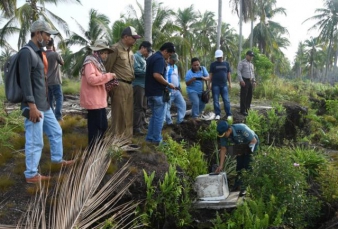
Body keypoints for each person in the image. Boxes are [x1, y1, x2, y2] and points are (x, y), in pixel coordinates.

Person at [18, 20, 73, 184]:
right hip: (34, 106)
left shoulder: (38, 53)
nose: (49, 38)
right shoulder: (27, 52)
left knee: (56, 131)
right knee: (35, 141)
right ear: (38, 33)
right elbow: (25, 81)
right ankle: (31, 174)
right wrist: (31, 106)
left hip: (45, 104)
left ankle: (57, 160)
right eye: (47, 34)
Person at [104, 26, 141, 142]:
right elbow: (107, 68)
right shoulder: (115, 49)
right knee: (119, 114)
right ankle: (116, 140)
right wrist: (107, 90)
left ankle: (127, 139)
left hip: (129, 85)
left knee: (128, 114)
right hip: (118, 85)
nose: (135, 40)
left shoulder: (130, 51)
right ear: (125, 37)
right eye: (133, 37)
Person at [80, 39, 116, 147]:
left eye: (106, 53)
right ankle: (93, 151)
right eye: (104, 53)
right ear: (98, 52)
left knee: (102, 126)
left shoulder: (98, 64)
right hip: (93, 101)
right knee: (95, 128)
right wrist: (109, 76)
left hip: (98, 100)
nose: (105, 55)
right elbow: (91, 79)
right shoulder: (90, 62)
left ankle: (97, 148)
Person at [215, 120, 259, 194]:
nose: (223, 137)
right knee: (239, 165)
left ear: (229, 130)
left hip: (252, 143)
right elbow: (223, 149)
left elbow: (254, 140)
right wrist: (221, 165)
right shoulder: (223, 134)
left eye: (224, 134)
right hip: (240, 145)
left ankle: (246, 187)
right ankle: (237, 185)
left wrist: (244, 151)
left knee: (247, 164)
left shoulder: (241, 129)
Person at [145, 42, 176, 145]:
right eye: (169, 54)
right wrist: (168, 84)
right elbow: (157, 75)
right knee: (159, 118)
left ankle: (150, 138)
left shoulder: (151, 58)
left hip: (150, 92)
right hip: (158, 92)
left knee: (154, 116)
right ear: (165, 51)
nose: (169, 57)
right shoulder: (159, 59)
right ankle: (157, 140)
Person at [132, 41, 153, 135]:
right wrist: (149, 73)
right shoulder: (135, 57)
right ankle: (136, 127)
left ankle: (142, 123)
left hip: (144, 85)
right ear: (143, 48)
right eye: (148, 50)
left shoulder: (143, 58)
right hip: (138, 85)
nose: (148, 52)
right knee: (138, 106)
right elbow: (136, 70)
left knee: (144, 106)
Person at [209, 50, 232, 120]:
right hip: (215, 85)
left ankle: (228, 114)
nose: (218, 58)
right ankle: (218, 114)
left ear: (222, 56)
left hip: (224, 85)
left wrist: (230, 83)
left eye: (219, 57)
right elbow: (210, 75)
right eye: (217, 57)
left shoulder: (226, 64)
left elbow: (228, 74)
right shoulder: (213, 64)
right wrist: (209, 84)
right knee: (216, 100)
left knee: (226, 100)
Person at [185, 57, 209, 123]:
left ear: (199, 64)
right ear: (192, 65)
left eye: (197, 65)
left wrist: (204, 78)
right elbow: (187, 83)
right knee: (196, 102)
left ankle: (195, 114)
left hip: (201, 91)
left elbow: (208, 77)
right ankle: (194, 118)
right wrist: (192, 79)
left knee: (202, 104)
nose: (196, 66)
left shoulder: (203, 69)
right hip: (192, 90)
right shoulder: (189, 73)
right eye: (194, 65)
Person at [164, 53, 186, 125]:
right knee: (167, 107)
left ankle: (180, 120)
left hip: (176, 90)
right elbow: (165, 78)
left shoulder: (175, 67)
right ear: (169, 58)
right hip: (169, 90)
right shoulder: (166, 67)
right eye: (173, 60)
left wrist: (179, 87)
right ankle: (169, 122)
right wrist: (166, 87)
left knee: (182, 104)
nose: (174, 62)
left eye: (175, 60)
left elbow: (177, 78)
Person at [46, 38, 64, 121]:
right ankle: (58, 116)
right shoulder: (55, 54)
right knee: (59, 98)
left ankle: (52, 116)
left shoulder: (43, 54)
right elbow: (62, 63)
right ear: (53, 45)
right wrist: (55, 51)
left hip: (47, 81)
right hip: (55, 81)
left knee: (50, 100)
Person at [237, 50, 256, 116]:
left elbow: (253, 73)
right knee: (243, 95)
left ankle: (247, 109)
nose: (251, 57)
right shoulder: (242, 62)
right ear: (247, 55)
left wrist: (254, 81)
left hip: (250, 81)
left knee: (249, 95)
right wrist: (241, 80)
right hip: (244, 80)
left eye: (252, 56)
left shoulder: (251, 64)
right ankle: (242, 110)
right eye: (250, 56)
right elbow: (239, 71)